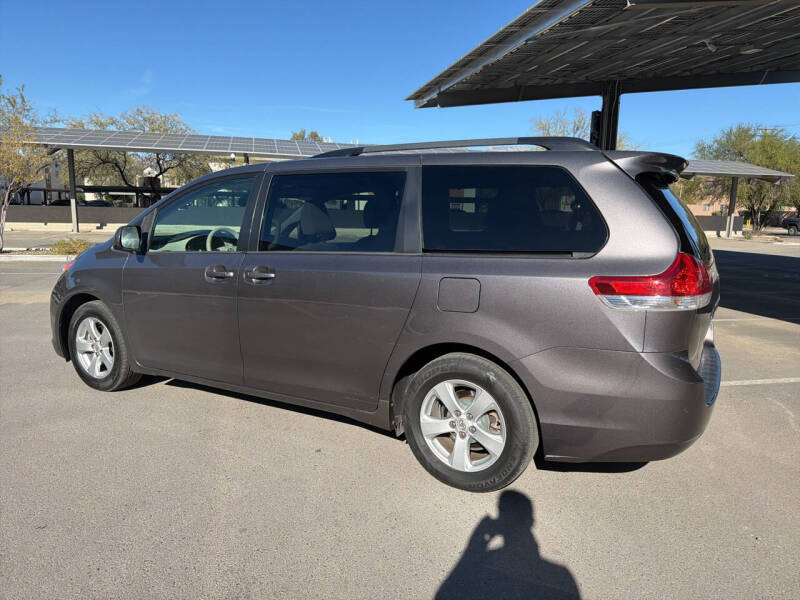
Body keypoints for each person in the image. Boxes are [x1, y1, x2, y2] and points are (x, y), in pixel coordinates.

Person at [436, 491, 580, 600]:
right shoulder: (562, 575)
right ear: (530, 521)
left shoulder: (488, 560)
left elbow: (445, 593)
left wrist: (473, 547)